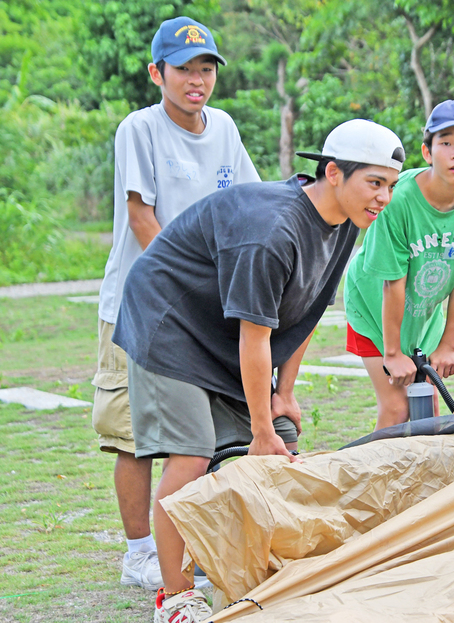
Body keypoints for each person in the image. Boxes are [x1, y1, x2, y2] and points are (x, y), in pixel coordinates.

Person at [112, 119, 405, 623]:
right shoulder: (275, 230)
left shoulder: (345, 223)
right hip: (168, 320)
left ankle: (265, 570)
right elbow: (255, 336)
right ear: (333, 172)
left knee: (284, 444)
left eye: (391, 186)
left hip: (219, 330)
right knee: (192, 455)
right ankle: (175, 597)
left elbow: (306, 309)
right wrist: (260, 428)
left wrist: (283, 396)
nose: (383, 197)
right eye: (374, 182)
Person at [91, 15, 259, 593]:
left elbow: (245, 205)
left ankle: (184, 545)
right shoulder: (139, 129)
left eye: (206, 68)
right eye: (184, 69)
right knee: (132, 434)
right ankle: (139, 552)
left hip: (200, 312)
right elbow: (143, 219)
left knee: (196, 437)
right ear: (156, 73)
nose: (197, 80)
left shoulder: (226, 129)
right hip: (139, 306)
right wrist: (189, 285)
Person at [343, 99, 454, 430]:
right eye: (446, 143)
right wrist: (391, 353)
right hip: (374, 307)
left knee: (425, 408)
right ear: (427, 152)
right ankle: (374, 479)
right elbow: (392, 281)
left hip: (422, 314)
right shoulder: (398, 199)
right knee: (397, 408)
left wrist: (448, 344)